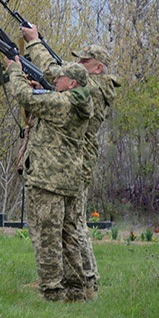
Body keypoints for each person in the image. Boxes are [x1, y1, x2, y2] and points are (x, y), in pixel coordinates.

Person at [3, 55, 93, 302]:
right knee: (68, 236)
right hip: (68, 180)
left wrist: (15, 71)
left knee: (48, 237)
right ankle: (77, 289)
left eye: (61, 77)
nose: (56, 79)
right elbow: (47, 101)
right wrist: (41, 90)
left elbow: (23, 96)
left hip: (48, 181)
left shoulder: (61, 104)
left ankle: (52, 291)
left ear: (72, 83)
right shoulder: (79, 102)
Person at [71, 43, 121, 294]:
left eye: (84, 62)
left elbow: (64, 78)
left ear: (98, 67)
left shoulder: (94, 87)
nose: (79, 65)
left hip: (80, 160)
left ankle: (89, 277)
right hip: (77, 158)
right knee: (71, 220)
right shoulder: (90, 85)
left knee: (77, 221)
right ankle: (79, 276)